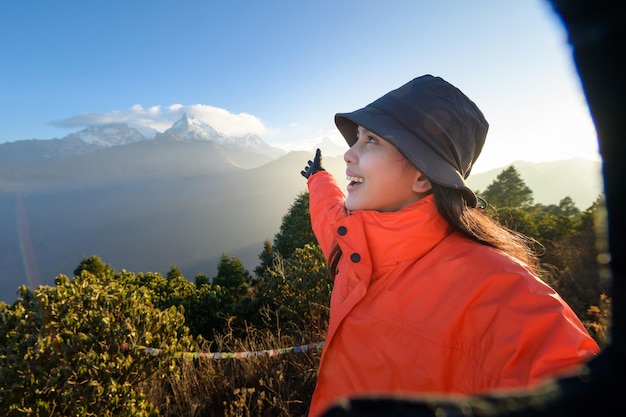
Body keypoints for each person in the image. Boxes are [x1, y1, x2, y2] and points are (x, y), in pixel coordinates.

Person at [300, 74, 600, 417]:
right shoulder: (353, 240)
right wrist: (318, 179)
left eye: (371, 141)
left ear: (423, 176)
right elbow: (327, 215)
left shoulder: (499, 286)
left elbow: (576, 383)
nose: (349, 154)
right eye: (357, 139)